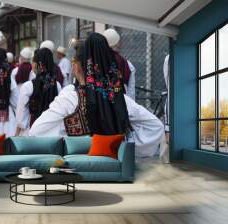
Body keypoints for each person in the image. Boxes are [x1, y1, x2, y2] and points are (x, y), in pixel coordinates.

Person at [30, 33, 165, 159]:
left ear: (76, 67)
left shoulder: (69, 98)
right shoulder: (119, 99)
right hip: (114, 167)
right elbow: (156, 127)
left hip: (78, 167)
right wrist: (126, 145)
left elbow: (36, 131)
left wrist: (67, 139)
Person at [15, 48, 62, 136]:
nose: (32, 64)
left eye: (33, 62)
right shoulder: (57, 86)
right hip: (52, 131)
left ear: (38, 65)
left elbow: (21, 114)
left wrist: (17, 132)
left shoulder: (28, 86)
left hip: (31, 130)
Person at [103, 29, 136, 100]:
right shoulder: (126, 64)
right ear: (117, 43)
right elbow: (131, 91)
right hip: (121, 100)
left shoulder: (96, 59)